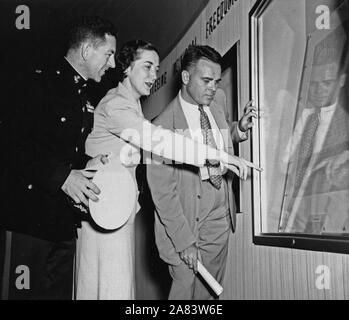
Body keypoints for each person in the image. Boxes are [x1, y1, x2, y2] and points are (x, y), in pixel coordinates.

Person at [75, 40, 260, 300]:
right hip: (105, 207)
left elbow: (211, 133)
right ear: (126, 68)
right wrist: (221, 157)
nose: (154, 76)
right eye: (147, 67)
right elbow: (160, 145)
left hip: (122, 208)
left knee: (117, 287)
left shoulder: (134, 104)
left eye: (156, 68)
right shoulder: (121, 106)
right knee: (107, 288)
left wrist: (237, 130)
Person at [0, 16, 117, 299]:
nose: (112, 64)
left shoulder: (84, 96)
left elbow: (63, 152)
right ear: (87, 50)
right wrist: (63, 177)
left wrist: (87, 167)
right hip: (28, 220)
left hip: (63, 224)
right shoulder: (35, 82)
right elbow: (11, 145)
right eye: (109, 54)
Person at [146, 45, 257, 300]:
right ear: (185, 78)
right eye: (206, 80)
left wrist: (238, 129)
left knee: (209, 292)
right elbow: (163, 195)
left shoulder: (216, 100)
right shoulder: (160, 129)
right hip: (184, 217)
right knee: (185, 293)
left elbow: (216, 138)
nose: (213, 88)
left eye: (216, 81)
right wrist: (185, 242)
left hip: (219, 208)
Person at [279, 42, 349, 234]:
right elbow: (283, 165)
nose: (318, 90)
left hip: (324, 219)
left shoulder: (344, 124)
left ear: (341, 80)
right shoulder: (304, 116)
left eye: (326, 83)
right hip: (290, 210)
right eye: (314, 84)